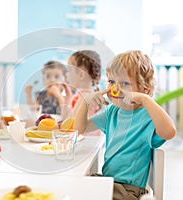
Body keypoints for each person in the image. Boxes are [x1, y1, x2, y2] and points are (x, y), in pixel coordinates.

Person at [73, 50, 176, 200]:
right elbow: (79, 129)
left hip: (127, 190)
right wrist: (84, 101)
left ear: (144, 89)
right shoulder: (113, 112)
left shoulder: (148, 116)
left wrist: (146, 100)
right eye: (112, 82)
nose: (115, 89)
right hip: (109, 182)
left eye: (125, 83)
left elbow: (169, 132)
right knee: (73, 189)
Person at [63, 50, 102, 136]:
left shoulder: (84, 97)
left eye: (69, 70)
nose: (66, 74)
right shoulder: (89, 94)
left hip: (83, 143)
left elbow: (69, 126)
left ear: (81, 74)